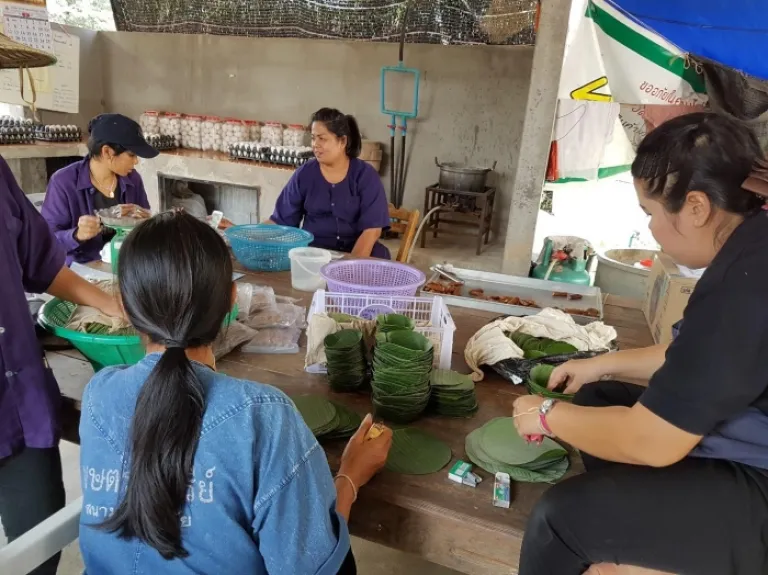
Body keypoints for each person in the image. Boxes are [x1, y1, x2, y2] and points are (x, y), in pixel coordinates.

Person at [512, 112, 768, 575]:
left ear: (696, 207)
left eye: (650, 213)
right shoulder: (753, 245)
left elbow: (653, 443)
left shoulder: (745, 285)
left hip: (761, 483)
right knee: (599, 396)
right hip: (752, 435)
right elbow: (701, 359)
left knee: (561, 518)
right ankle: (642, 536)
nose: (650, 228)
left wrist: (546, 415)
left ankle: (628, 544)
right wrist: (601, 364)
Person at [78, 211, 392, 573]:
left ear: (124, 306)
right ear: (231, 300)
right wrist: (350, 476)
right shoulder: (263, 417)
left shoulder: (99, 395)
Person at [268, 108, 391, 259]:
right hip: (315, 255)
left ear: (342, 141)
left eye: (322, 138)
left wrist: (350, 265)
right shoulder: (305, 174)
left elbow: (372, 230)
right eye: (313, 138)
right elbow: (281, 221)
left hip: (359, 255)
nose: (315, 144)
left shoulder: (365, 176)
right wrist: (247, 234)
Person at [42, 113, 158, 265]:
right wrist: (76, 235)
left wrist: (144, 221)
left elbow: (145, 229)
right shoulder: (63, 182)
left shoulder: (132, 179)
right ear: (107, 152)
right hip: (81, 269)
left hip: (126, 265)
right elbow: (45, 243)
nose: (136, 161)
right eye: (131, 155)